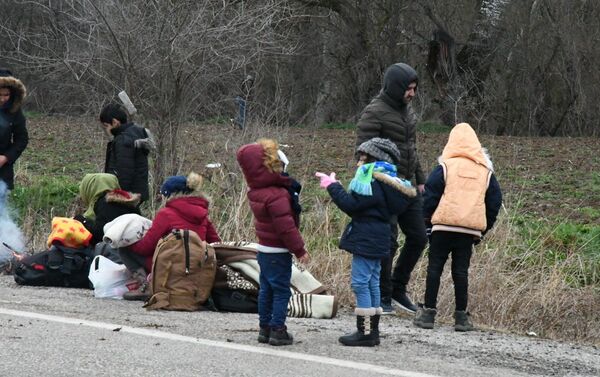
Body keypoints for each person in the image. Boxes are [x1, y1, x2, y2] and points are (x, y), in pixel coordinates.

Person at [316, 138, 416, 347]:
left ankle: (366, 332)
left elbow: (352, 205)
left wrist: (333, 187)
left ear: (375, 158)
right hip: (381, 236)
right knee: (372, 282)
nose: (359, 162)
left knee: (361, 283)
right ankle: (373, 330)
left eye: (364, 158)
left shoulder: (371, 180)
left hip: (367, 238)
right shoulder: (390, 181)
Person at [414, 123, 502, 331]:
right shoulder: (485, 172)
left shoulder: (445, 167)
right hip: (468, 231)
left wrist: (427, 222)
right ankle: (461, 317)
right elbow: (495, 202)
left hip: (442, 227)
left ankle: (428, 314)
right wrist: (483, 228)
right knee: (461, 272)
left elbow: (430, 197)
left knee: (434, 268)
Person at [355, 62, 427, 314]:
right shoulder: (374, 112)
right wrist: (378, 181)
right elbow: (364, 152)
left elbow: (411, 149)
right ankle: (383, 296)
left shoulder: (407, 112)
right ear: (396, 87)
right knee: (388, 242)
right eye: (408, 88)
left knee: (419, 237)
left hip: (408, 186)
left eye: (415, 88)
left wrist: (420, 179)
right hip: (385, 187)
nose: (412, 94)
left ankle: (398, 288)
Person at [236, 138, 309, 346]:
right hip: (278, 251)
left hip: (264, 249)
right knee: (281, 291)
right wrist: (300, 250)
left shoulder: (257, 192)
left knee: (266, 289)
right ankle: (278, 329)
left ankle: (264, 327)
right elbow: (286, 227)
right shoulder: (277, 195)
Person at [121, 172, 221, 300]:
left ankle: (147, 285)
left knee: (124, 249)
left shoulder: (166, 214)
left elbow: (145, 248)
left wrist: (130, 243)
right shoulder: (203, 215)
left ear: (169, 195)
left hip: (169, 268)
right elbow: (216, 244)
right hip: (196, 268)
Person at [99, 103, 152, 203]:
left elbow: (124, 173)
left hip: (128, 196)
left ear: (114, 122)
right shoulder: (135, 133)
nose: (106, 129)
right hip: (137, 193)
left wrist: (118, 196)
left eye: (106, 126)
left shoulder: (123, 140)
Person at [74, 173, 141, 245]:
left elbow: (100, 234)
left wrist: (82, 221)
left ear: (90, 188)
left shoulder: (105, 203)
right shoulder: (128, 201)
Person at [0, 69, 28, 191]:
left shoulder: (15, 112)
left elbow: (22, 139)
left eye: (6, 95)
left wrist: (5, 157)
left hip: (2, 171)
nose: (2, 99)